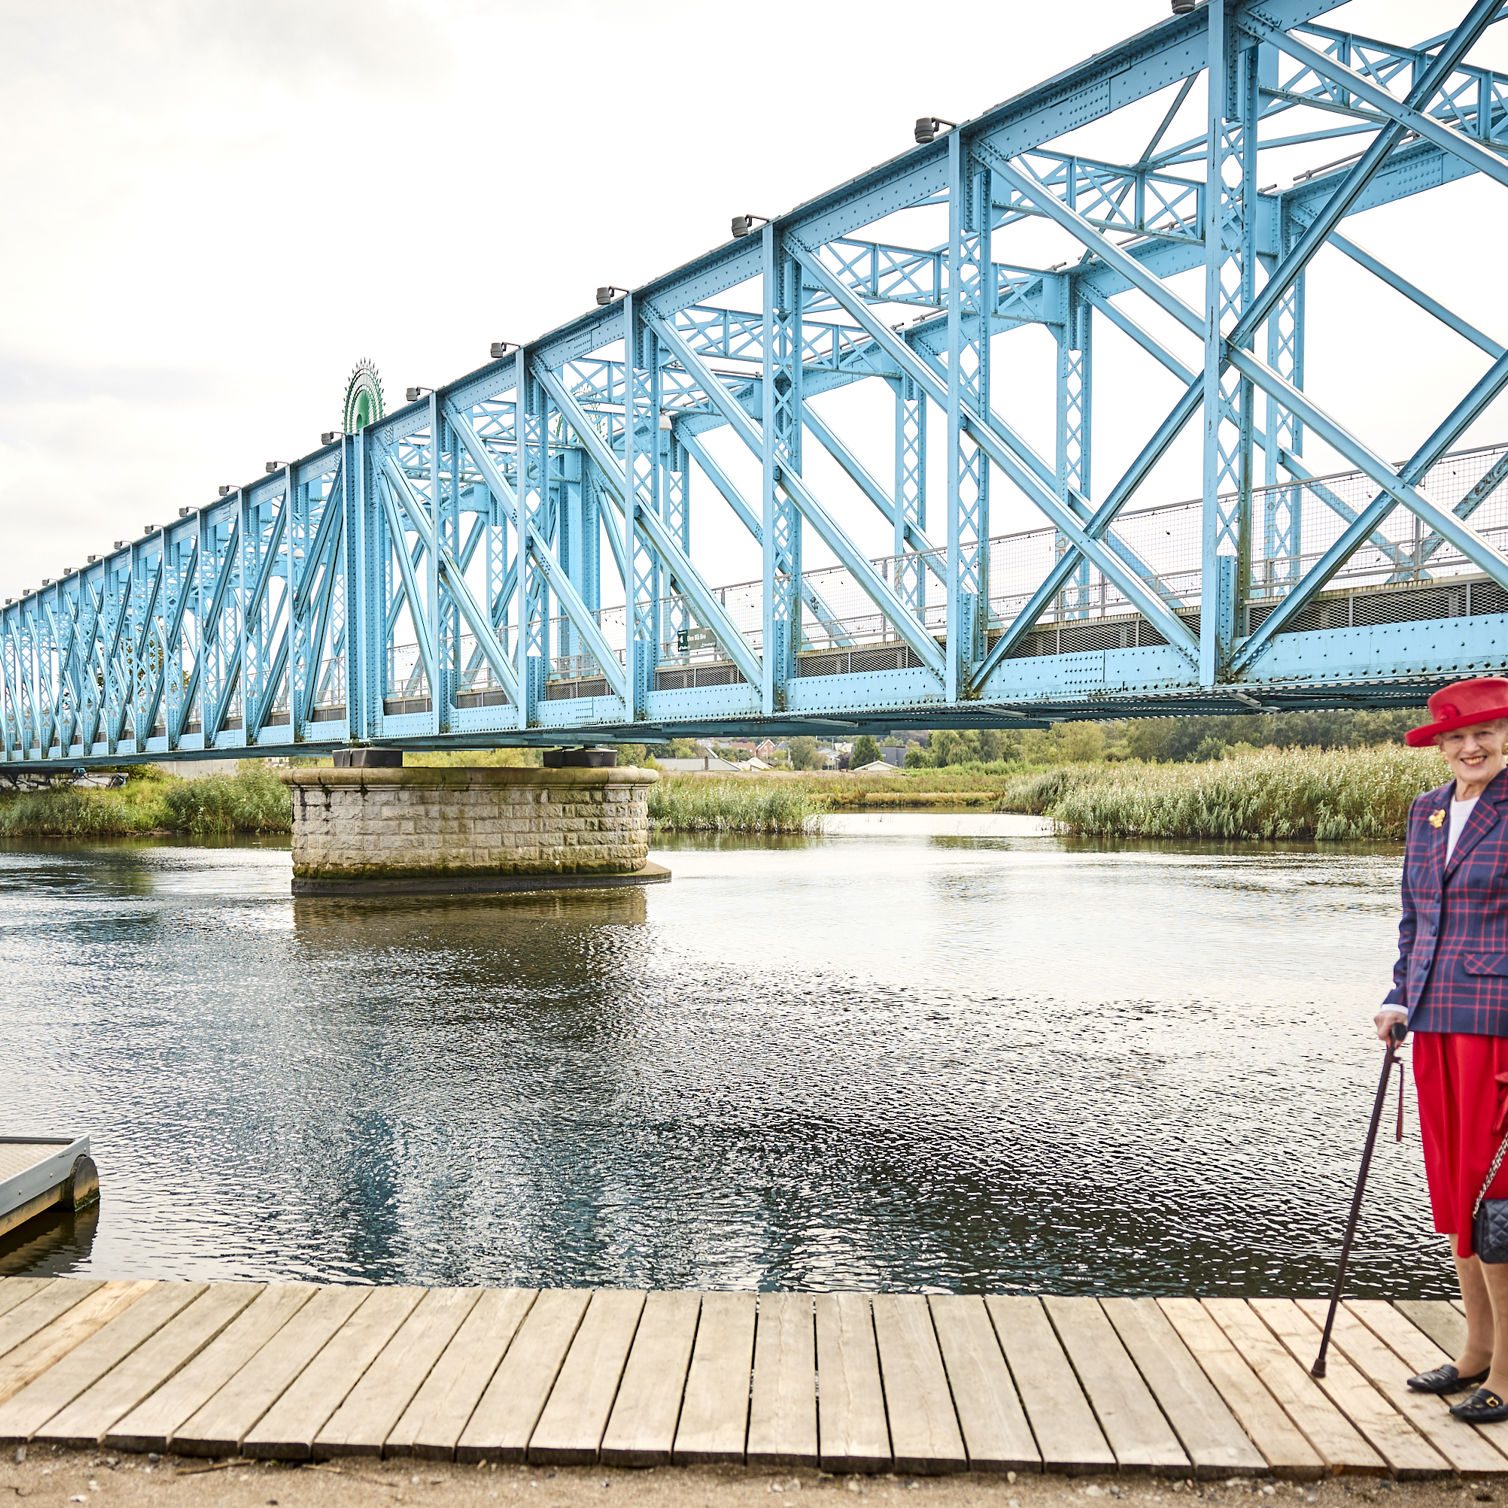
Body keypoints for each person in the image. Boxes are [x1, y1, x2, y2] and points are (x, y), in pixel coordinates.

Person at [1379, 676, 1508, 1422]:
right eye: (1456, 736)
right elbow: (1415, 918)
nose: (1471, 746)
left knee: (1500, 1199)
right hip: (1434, 1022)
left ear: (1504, 736)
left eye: (1484, 732)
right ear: (1440, 745)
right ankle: (1476, 1351)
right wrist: (1400, 995)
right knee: (1460, 1192)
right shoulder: (1426, 811)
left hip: (1498, 1027)